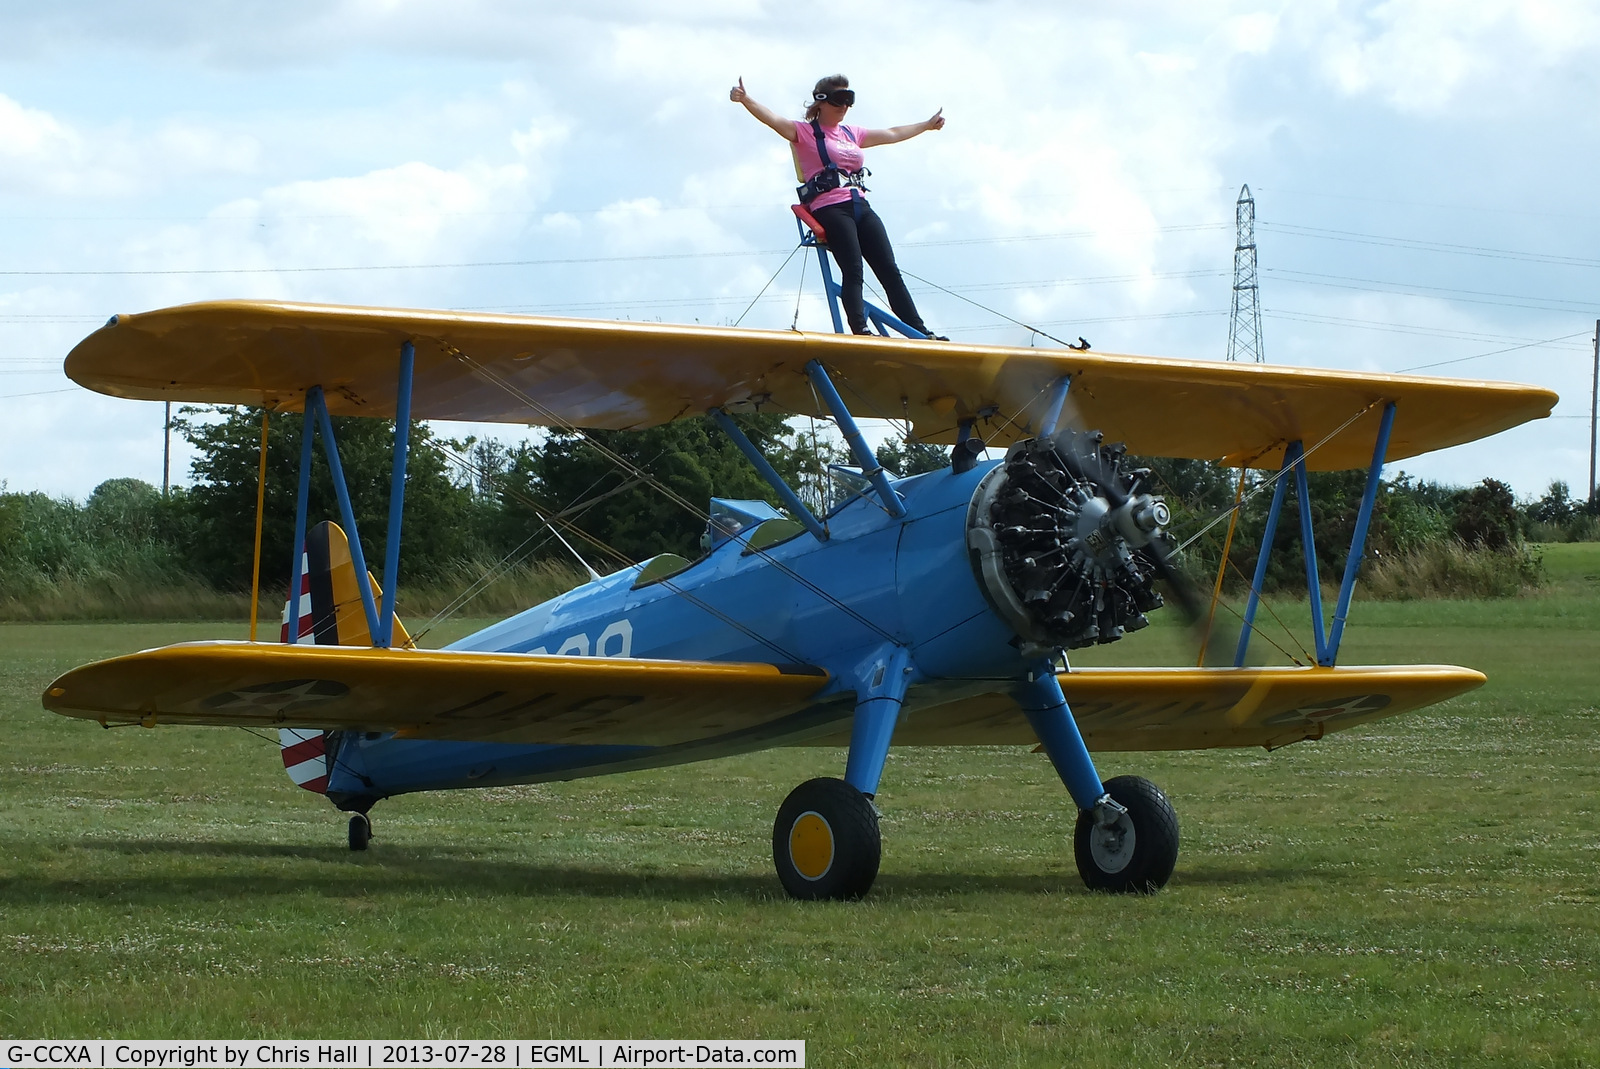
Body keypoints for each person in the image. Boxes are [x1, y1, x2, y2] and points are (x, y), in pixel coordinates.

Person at [730, 74, 945, 339]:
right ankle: (860, 329)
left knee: (889, 270)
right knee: (853, 268)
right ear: (821, 101)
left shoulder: (851, 133)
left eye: (849, 100)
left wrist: (926, 125)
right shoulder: (805, 132)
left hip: (860, 205)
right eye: (839, 100)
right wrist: (745, 100)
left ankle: (920, 331)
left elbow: (892, 134)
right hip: (830, 207)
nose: (844, 106)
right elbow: (773, 119)